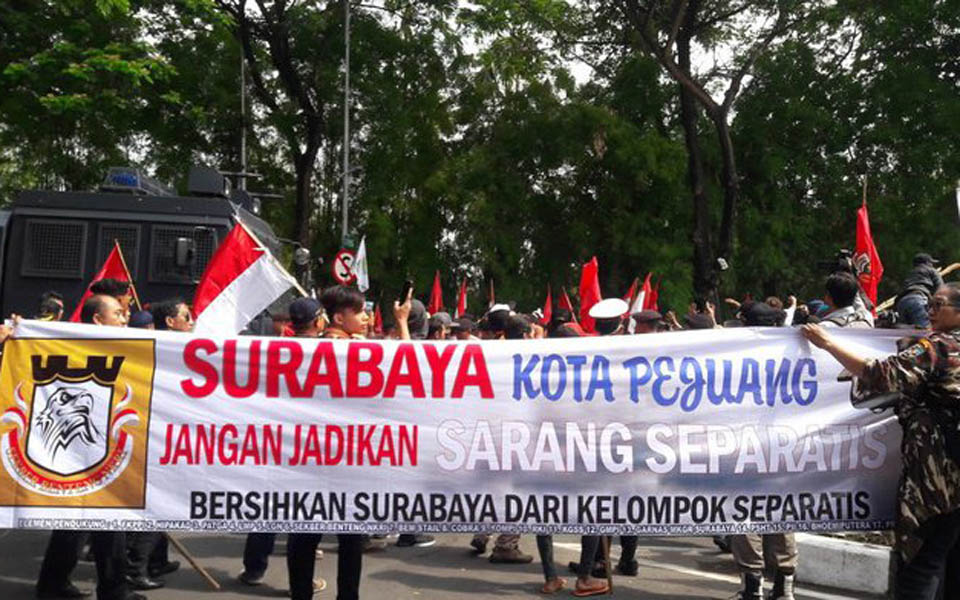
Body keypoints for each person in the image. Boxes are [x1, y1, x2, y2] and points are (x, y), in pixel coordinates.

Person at [801, 283, 960, 599]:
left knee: (920, 567)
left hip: (937, 484)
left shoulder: (937, 347)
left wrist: (828, 344)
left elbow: (879, 374)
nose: (929, 309)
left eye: (938, 304)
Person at [36, 295, 139, 600]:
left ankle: (59, 585)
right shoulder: (72, 347)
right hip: (79, 454)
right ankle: (108, 588)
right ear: (97, 319)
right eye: (118, 314)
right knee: (88, 522)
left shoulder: (130, 347)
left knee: (91, 524)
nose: (124, 319)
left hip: (106, 449)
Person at [896, 253, 944, 328]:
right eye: (931, 263)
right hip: (917, 300)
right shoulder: (931, 270)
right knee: (925, 329)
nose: (932, 265)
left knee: (904, 332)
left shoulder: (911, 273)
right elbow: (941, 291)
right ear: (927, 263)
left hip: (901, 302)